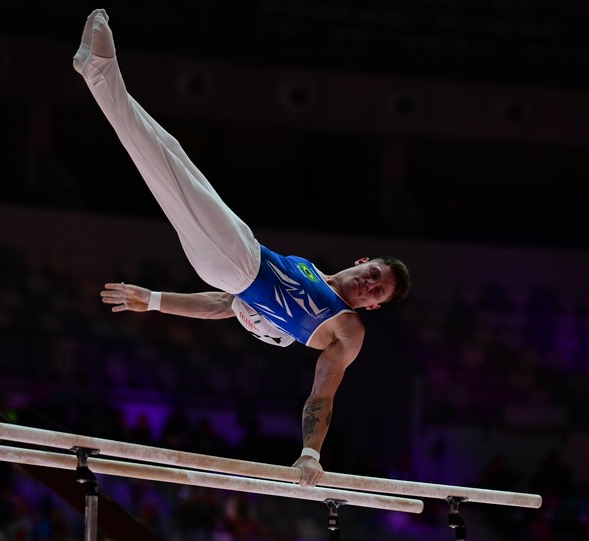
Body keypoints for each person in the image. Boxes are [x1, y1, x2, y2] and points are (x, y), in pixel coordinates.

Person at [74, 9, 411, 486]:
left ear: (374, 307)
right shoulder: (310, 270)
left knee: (156, 162)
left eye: (377, 290)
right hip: (238, 258)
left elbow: (322, 395)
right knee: (168, 150)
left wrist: (310, 454)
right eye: (374, 272)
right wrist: (152, 300)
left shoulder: (347, 330)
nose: (370, 283)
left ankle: (99, 72)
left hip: (237, 262)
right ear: (363, 262)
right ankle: (101, 72)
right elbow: (225, 306)